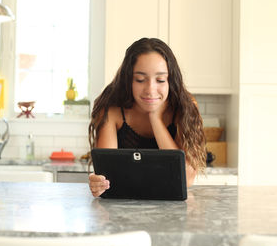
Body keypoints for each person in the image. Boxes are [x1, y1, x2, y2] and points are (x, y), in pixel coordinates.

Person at [88, 37, 206, 197]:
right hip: (125, 209)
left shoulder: (185, 107)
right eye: (140, 79)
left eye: (160, 80)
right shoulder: (112, 111)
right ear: (128, 80)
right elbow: (107, 177)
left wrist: (155, 119)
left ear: (171, 81)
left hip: (172, 210)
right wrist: (98, 183)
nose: (150, 89)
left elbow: (186, 178)